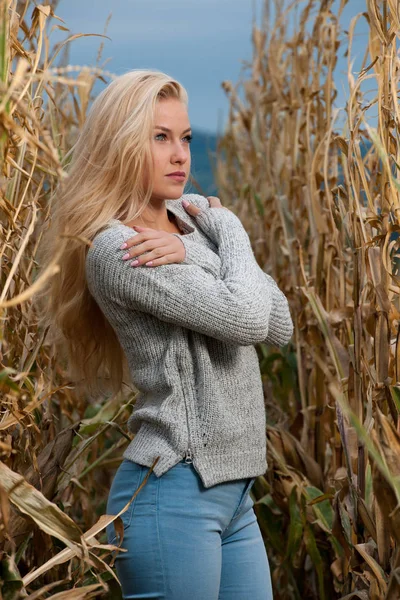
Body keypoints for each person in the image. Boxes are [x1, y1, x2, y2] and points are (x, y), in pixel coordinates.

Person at [37, 69, 294, 599]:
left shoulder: (191, 227)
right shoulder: (120, 248)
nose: (180, 155)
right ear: (122, 145)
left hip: (235, 495)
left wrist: (202, 248)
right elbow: (248, 318)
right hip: (174, 489)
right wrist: (233, 232)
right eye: (160, 137)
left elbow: (280, 321)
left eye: (185, 138)